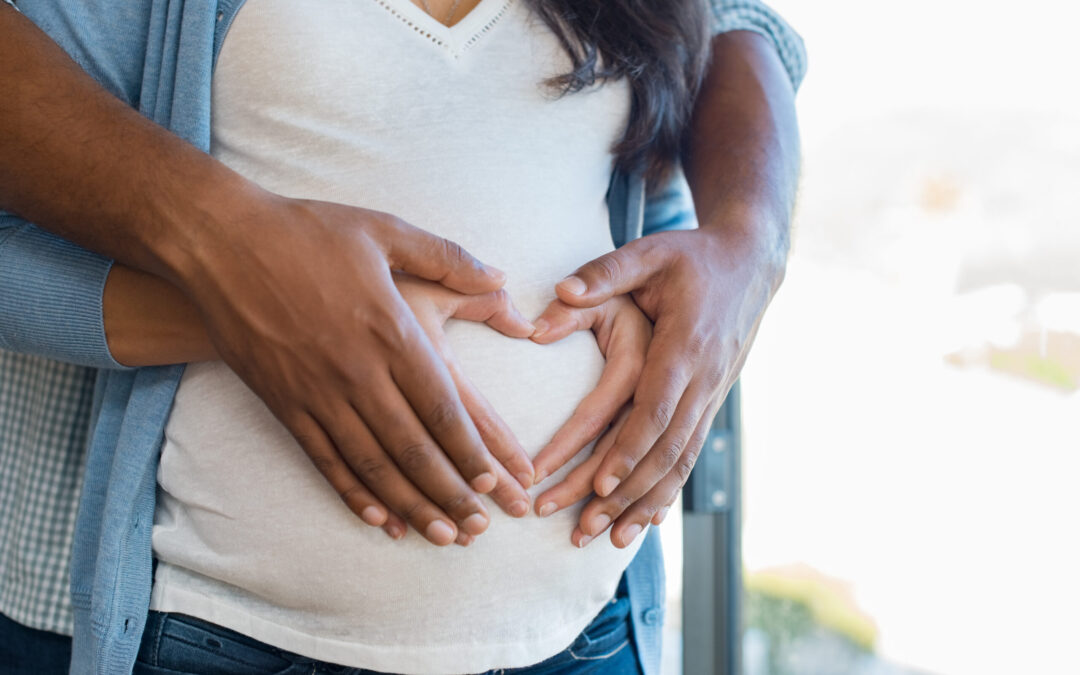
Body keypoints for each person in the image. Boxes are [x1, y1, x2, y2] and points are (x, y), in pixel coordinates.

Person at [0, 0, 805, 673]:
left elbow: (733, 31)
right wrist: (247, 304)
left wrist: (748, 248)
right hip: (232, 636)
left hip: (588, 633)